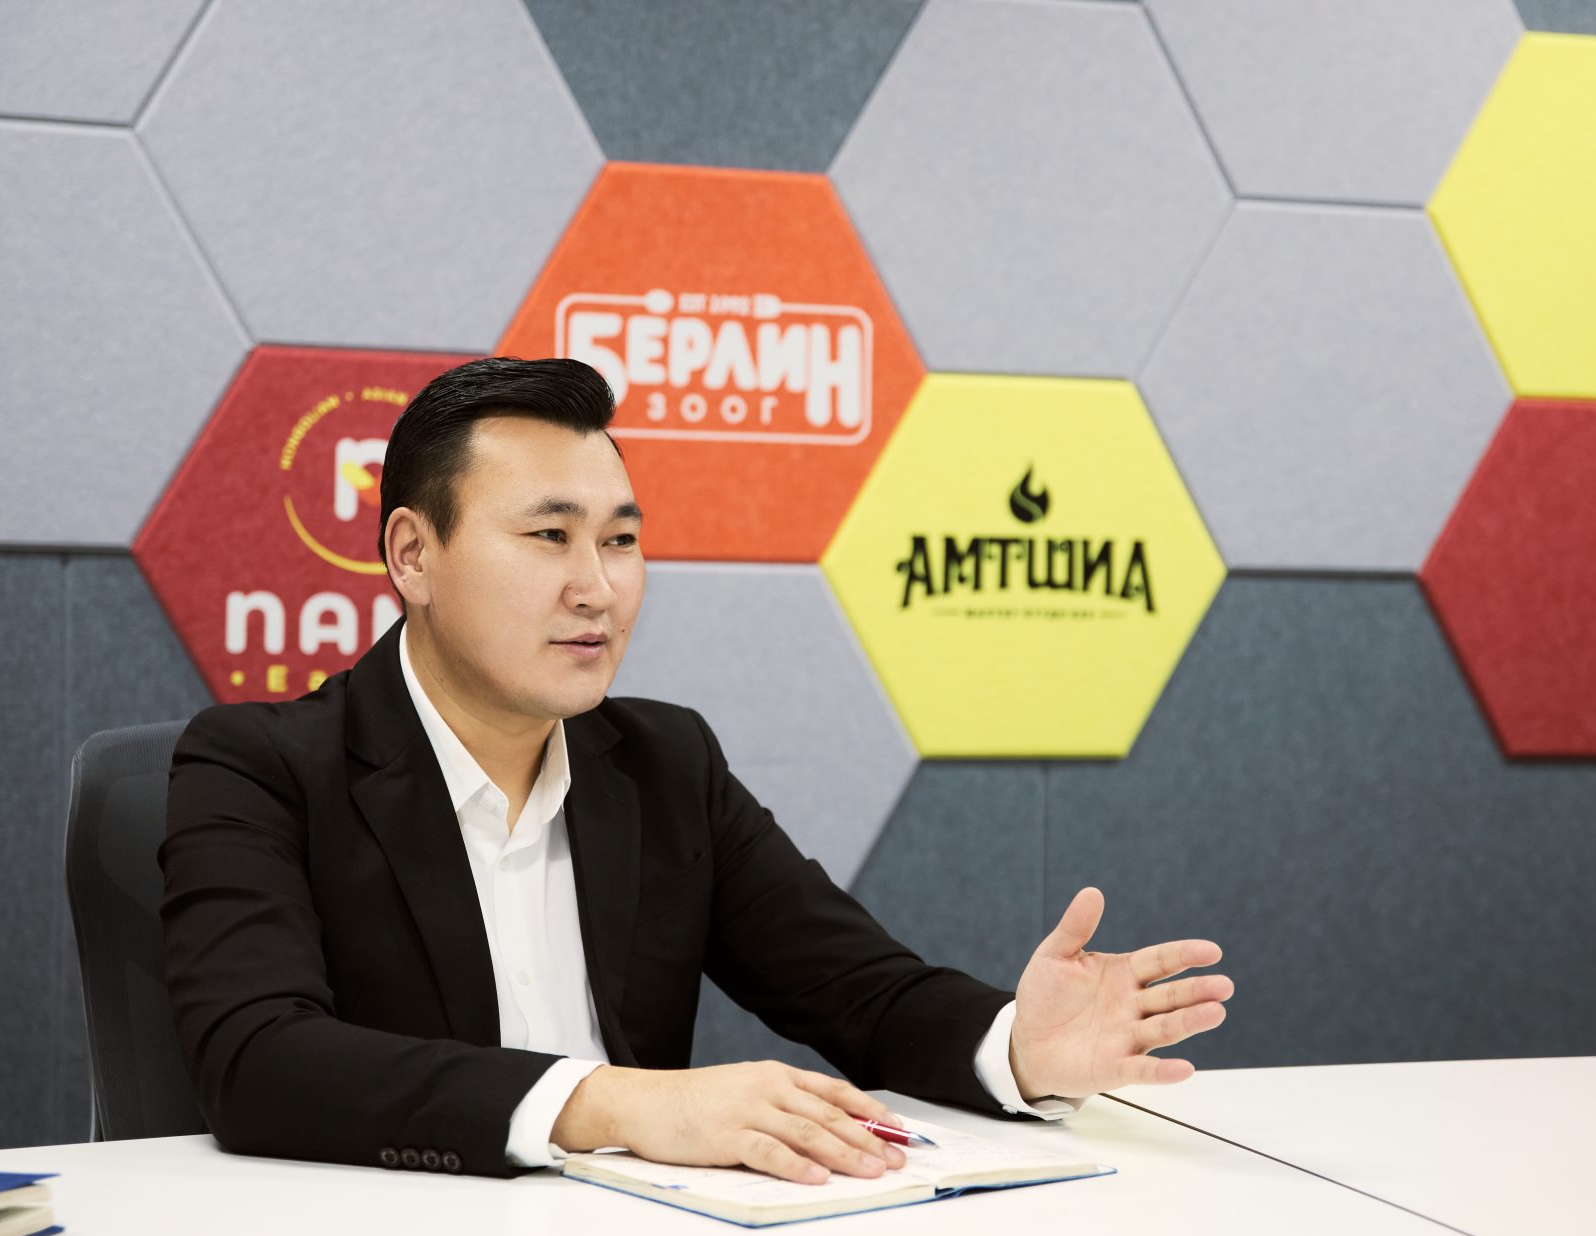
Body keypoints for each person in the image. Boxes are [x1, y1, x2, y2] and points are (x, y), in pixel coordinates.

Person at [159, 357, 1233, 1185]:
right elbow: (258, 1061)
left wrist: (1016, 1046)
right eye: (548, 535)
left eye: (621, 541)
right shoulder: (258, 767)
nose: (597, 587)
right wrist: (612, 1104)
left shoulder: (665, 762)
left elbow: (861, 991)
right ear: (412, 555)